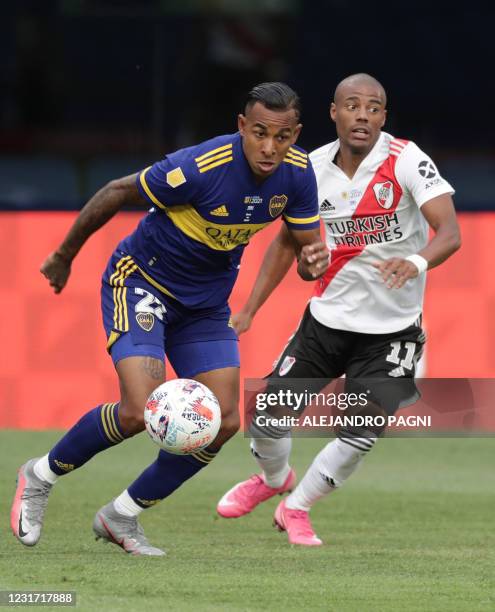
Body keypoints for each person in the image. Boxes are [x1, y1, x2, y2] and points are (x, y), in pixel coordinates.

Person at [10, 82, 329, 556]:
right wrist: (63, 255)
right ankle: (40, 475)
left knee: (222, 422)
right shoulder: (199, 168)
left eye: (282, 137)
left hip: (204, 308)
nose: (269, 147)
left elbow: (305, 254)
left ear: (296, 134)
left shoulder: (299, 176)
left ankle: (121, 515)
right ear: (241, 127)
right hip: (141, 284)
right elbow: (117, 190)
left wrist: (313, 263)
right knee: (140, 411)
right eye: (259, 133)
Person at [217, 73, 461, 546]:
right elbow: (289, 246)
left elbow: (449, 233)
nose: (363, 115)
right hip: (326, 323)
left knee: (359, 435)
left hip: (393, 332)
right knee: (266, 418)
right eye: (353, 105)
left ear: (383, 117)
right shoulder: (307, 168)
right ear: (334, 113)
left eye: (373, 107)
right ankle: (273, 480)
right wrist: (249, 309)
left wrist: (414, 262)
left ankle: (298, 507)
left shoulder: (406, 159)